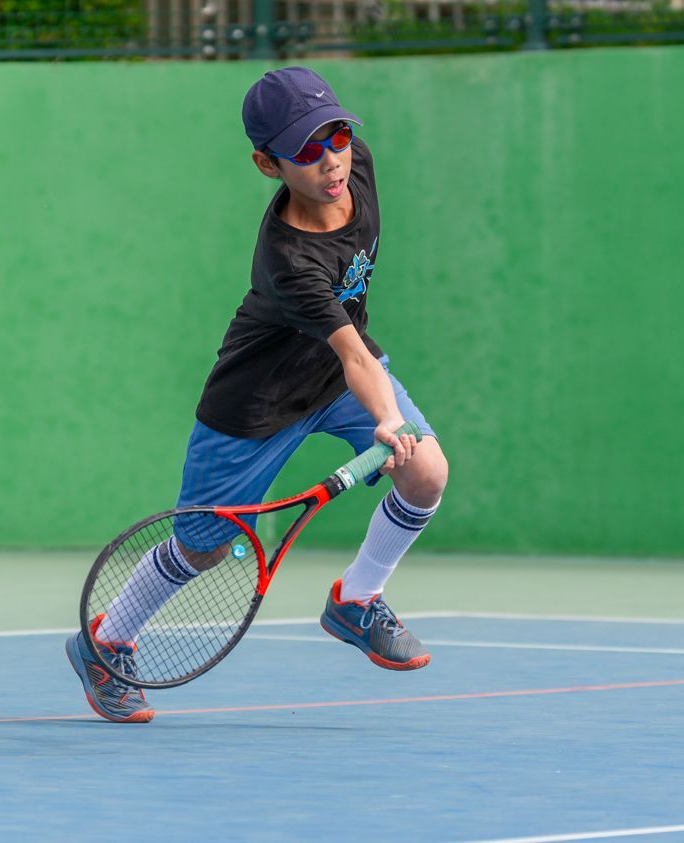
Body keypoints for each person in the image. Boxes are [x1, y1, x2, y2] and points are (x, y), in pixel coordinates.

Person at [67, 66, 449, 724]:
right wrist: (388, 417)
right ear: (266, 164)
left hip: (334, 381)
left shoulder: (356, 168)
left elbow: (353, 354)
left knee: (427, 471)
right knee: (203, 548)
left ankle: (356, 600)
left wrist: (392, 428)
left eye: (336, 135)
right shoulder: (287, 259)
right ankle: (105, 642)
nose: (330, 158)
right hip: (256, 407)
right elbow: (353, 350)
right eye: (305, 149)